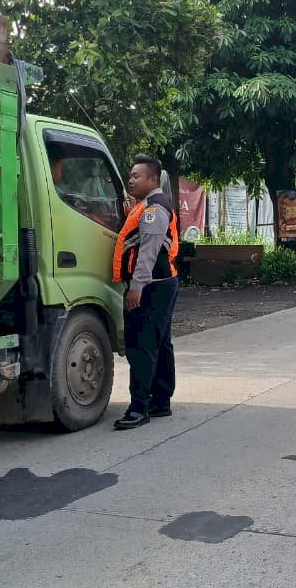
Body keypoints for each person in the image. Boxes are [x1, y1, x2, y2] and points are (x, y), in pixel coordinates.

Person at [111, 155, 181, 429]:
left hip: (151, 285)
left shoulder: (153, 209)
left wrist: (136, 287)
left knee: (141, 346)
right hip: (164, 283)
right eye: (130, 175)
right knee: (161, 342)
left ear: (153, 179)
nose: (130, 179)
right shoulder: (147, 206)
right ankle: (161, 401)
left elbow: (148, 252)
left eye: (136, 176)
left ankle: (139, 409)